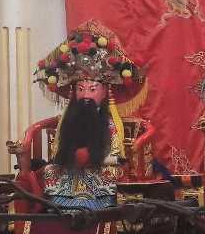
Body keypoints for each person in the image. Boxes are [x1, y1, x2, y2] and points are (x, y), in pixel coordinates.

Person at [27, 22, 143, 211]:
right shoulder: (69, 120)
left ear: (105, 92)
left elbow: (115, 155)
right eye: (81, 89)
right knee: (50, 170)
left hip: (99, 166)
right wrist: (70, 156)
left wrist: (93, 157)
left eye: (92, 89)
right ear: (73, 92)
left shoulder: (108, 122)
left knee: (111, 172)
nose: (86, 95)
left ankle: (98, 205)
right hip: (71, 169)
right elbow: (59, 152)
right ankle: (61, 205)